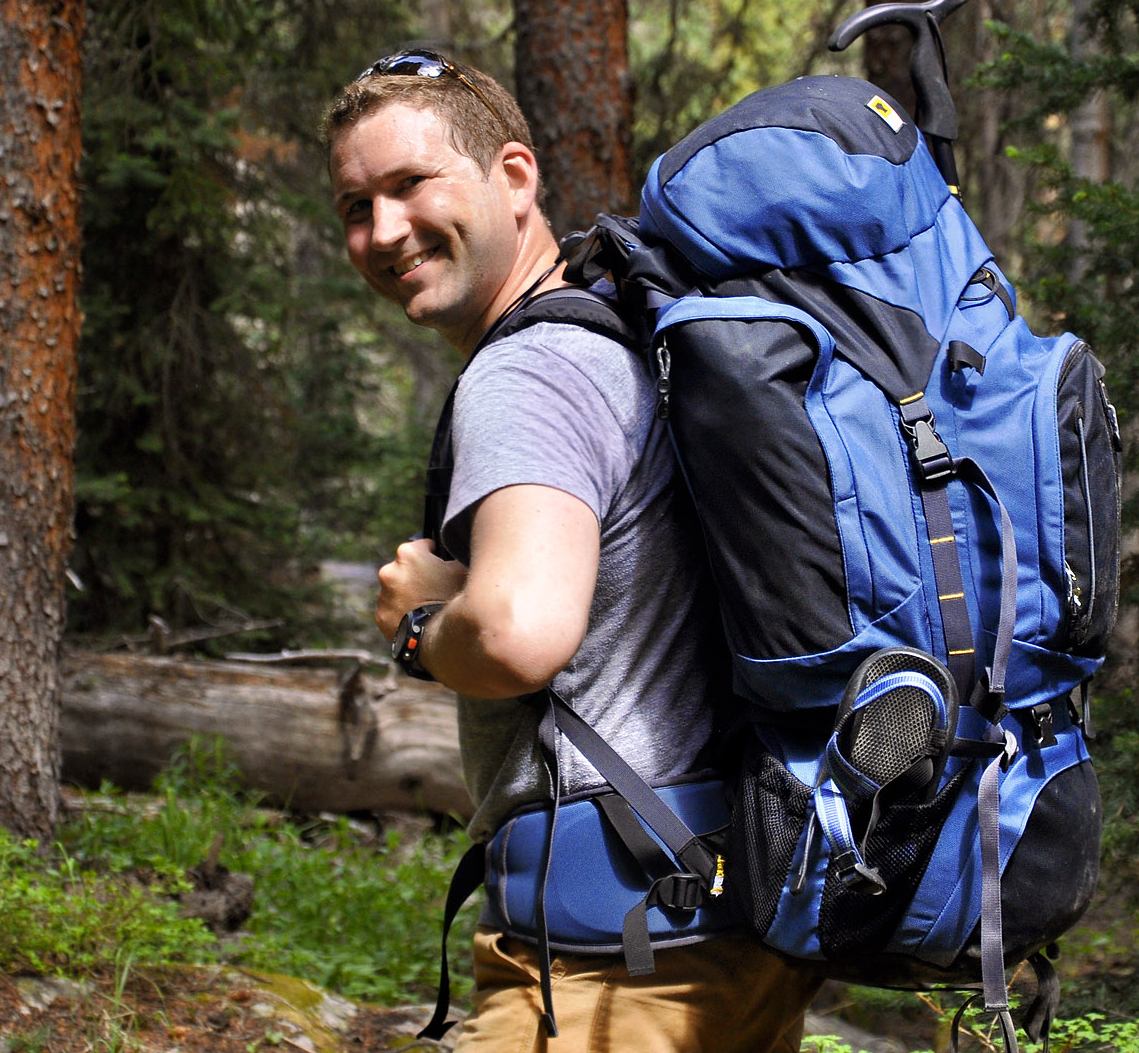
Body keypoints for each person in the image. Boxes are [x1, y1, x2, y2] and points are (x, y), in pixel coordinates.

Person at [323, 51, 824, 1051]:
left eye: (411, 183)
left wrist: (420, 625)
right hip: (720, 942)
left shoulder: (531, 370)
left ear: (514, 176)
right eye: (355, 206)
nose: (383, 230)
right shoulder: (629, 338)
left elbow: (516, 632)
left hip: (615, 968)